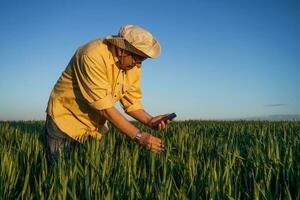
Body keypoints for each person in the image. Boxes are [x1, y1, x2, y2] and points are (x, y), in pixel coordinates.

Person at [45, 25, 175, 162]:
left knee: (99, 173)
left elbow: (132, 104)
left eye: (143, 59)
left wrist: (150, 120)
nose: (138, 64)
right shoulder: (91, 55)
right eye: (137, 58)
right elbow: (105, 109)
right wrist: (141, 137)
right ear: (121, 49)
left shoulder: (133, 66)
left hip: (95, 127)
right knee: (58, 171)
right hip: (65, 120)